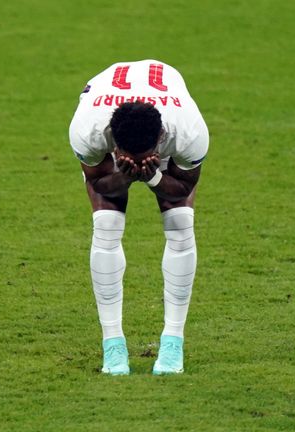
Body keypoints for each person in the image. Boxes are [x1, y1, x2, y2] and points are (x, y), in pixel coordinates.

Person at [69, 60, 209, 375]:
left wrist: (154, 178)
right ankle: (112, 346)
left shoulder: (188, 130)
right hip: (104, 97)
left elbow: (183, 186)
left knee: (181, 225)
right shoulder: (88, 129)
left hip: (167, 105)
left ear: (160, 138)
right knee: (106, 225)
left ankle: (174, 342)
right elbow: (98, 182)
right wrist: (123, 177)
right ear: (113, 141)